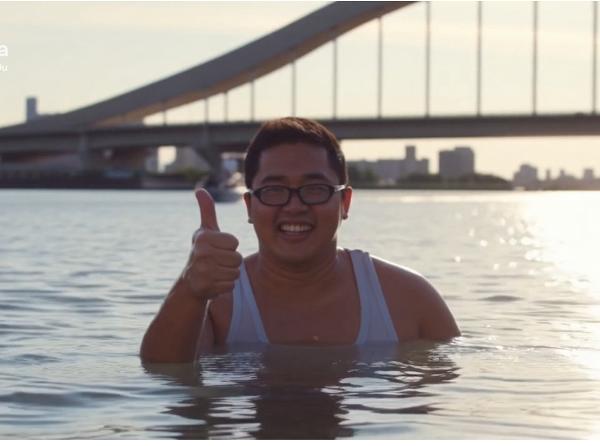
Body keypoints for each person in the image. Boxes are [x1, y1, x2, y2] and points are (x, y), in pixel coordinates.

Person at [140, 117, 460, 363]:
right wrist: (190, 290)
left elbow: (449, 404)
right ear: (250, 206)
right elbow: (164, 375)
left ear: (345, 202)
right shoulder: (215, 303)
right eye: (274, 190)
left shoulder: (409, 299)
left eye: (315, 189)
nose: (294, 206)